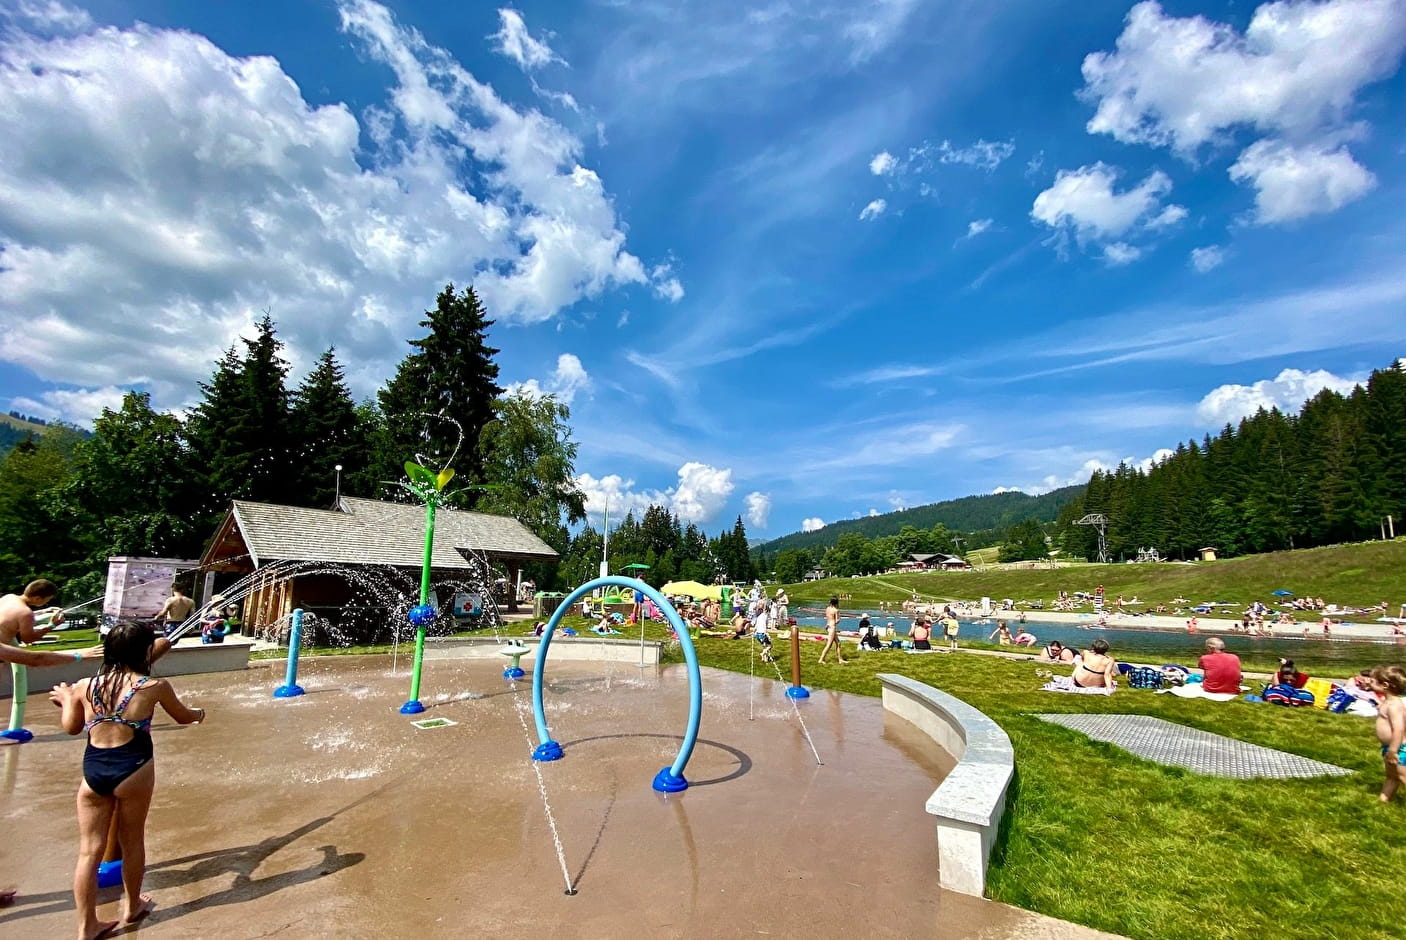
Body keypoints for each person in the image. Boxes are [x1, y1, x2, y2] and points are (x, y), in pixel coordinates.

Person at [49, 621, 205, 939]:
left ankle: (86, 927)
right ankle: (132, 906)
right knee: (132, 841)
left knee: (88, 852)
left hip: (92, 774)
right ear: (147, 651)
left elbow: (71, 727)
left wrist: (66, 700)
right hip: (133, 769)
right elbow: (183, 716)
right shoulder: (153, 686)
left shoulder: (84, 686)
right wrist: (199, 714)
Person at [1371, 665, 1406, 803]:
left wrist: (1393, 750)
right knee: (1392, 776)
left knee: (1403, 776)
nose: (1370, 683)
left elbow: (1399, 729)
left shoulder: (1394, 706)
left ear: (1385, 685)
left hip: (1399, 749)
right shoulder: (1388, 702)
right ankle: (1383, 801)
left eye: (1373, 681)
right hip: (1389, 747)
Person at [817, 596, 847, 665]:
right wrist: (840, 617)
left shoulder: (827, 608)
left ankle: (840, 659)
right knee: (829, 645)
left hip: (828, 625)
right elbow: (837, 621)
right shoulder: (836, 610)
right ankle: (821, 659)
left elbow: (828, 617)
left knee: (838, 643)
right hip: (832, 627)